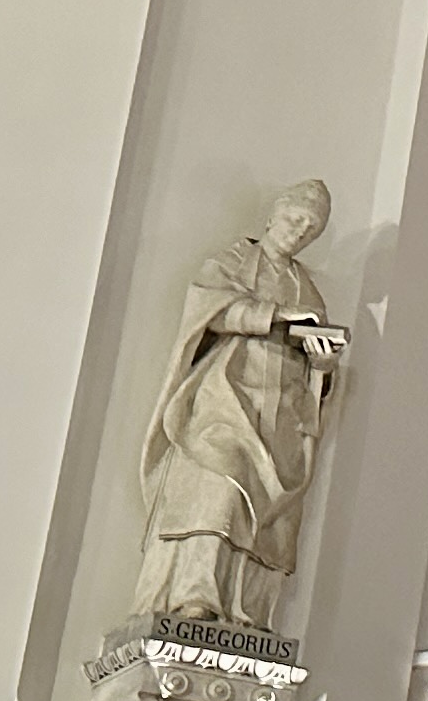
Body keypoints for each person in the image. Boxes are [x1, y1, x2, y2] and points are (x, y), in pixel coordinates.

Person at [132, 180, 348, 630]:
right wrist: (274, 316)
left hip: (279, 422)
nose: (300, 231)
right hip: (225, 402)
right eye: (295, 219)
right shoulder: (232, 263)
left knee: (267, 518)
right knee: (219, 488)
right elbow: (209, 311)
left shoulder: (308, 290)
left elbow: (319, 374)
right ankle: (194, 598)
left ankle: (244, 610)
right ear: (273, 217)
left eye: (310, 229)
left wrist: (323, 363)